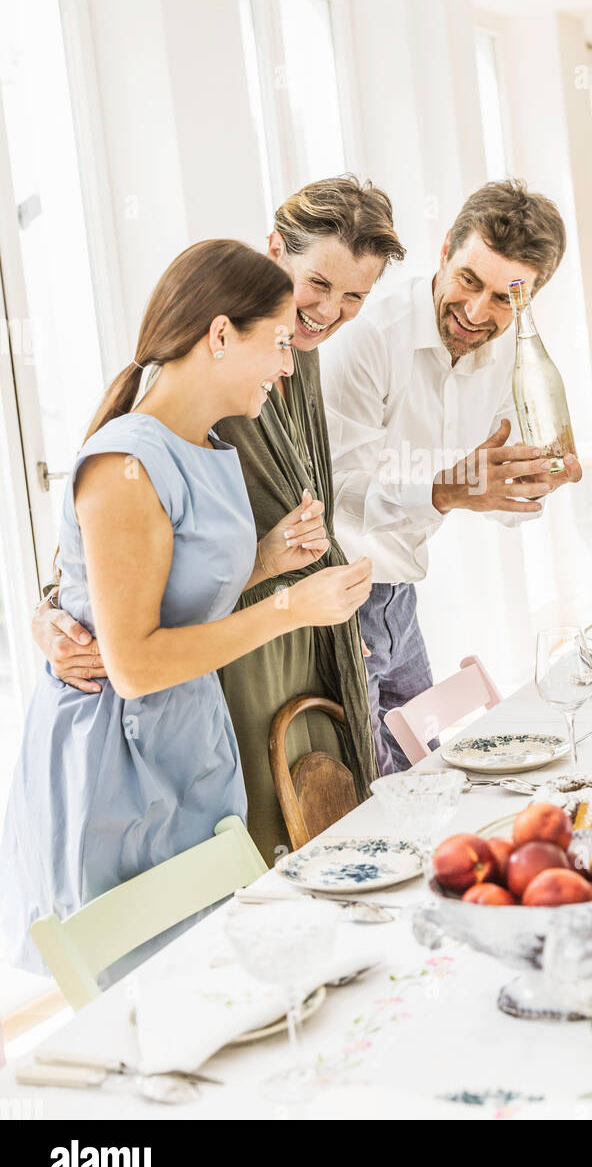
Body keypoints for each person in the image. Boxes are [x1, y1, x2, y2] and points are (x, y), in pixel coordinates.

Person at [1, 240, 372, 974]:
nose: (287, 365)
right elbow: (135, 666)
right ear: (220, 335)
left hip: (186, 737)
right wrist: (292, 606)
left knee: (208, 962)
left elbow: (175, 595)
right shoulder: (125, 464)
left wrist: (265, 563)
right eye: (277, 342)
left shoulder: (202, 444)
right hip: (118, 754)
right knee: (139, 976)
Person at [32, 178, 406, 864]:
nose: (325, 314)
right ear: (273, 256)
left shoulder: (293, 362)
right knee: (250, 871)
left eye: (355, 297)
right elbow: (104, 553)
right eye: (317, 284)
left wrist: (280, 571)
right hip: (222, 670)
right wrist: (49, 616)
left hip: (276, 650)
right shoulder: (208, 386)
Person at [319, 179, 583, 773]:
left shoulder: (511, 351)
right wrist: (447, 487)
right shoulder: (366, 338)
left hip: (398, 599)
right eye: (469, 280)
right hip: (335, 601)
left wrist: (534, 478)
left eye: (505, 298)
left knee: (429, 779)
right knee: (368, 792)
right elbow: (342, 490)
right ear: (444, 250)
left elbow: (496, 480)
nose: (476, 313)